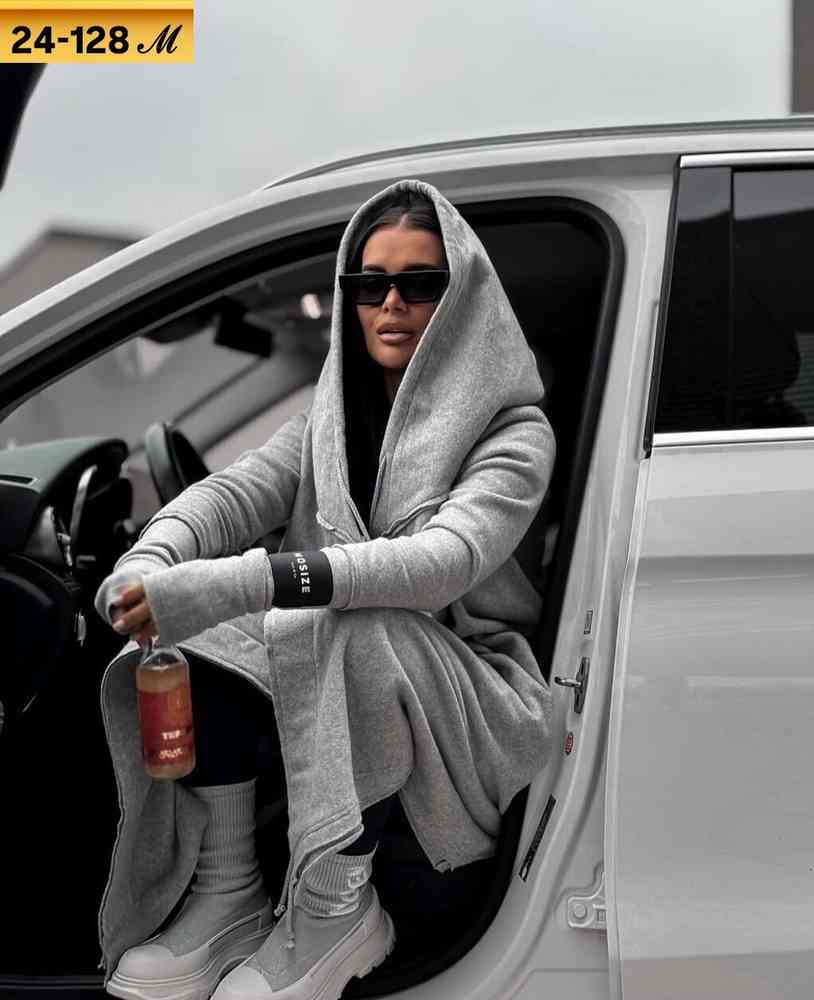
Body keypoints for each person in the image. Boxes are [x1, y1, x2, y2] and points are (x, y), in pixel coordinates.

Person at [94, 177, 556, 1000]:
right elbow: (232, 495)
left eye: (420, 283)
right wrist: (151, 560)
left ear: (461, 297)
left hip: (478, 699)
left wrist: (243, 581)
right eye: (369, 285)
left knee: (344, 623)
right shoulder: (328, 422)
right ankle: (229, 890)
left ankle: (337, 908)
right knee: (199, 628)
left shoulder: (515, 434)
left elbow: (441, 563)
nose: (391, 304)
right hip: (362, 663)